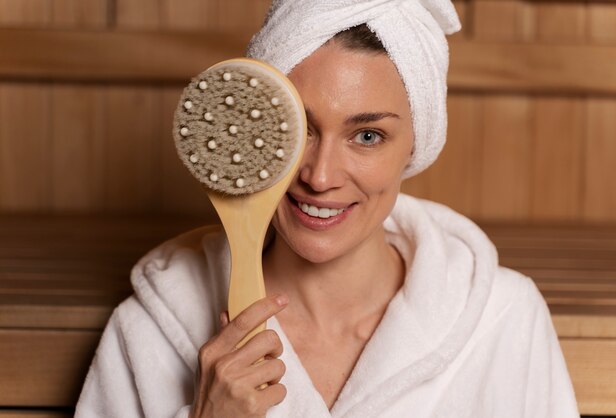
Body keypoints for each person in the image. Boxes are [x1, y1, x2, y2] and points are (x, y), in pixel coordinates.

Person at [75, 1, 579, 417]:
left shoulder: (503, 319)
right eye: (300, 127)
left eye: (367, 136)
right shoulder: (150, 331)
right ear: (251, 132)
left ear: (415, 145)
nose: (319, 175)